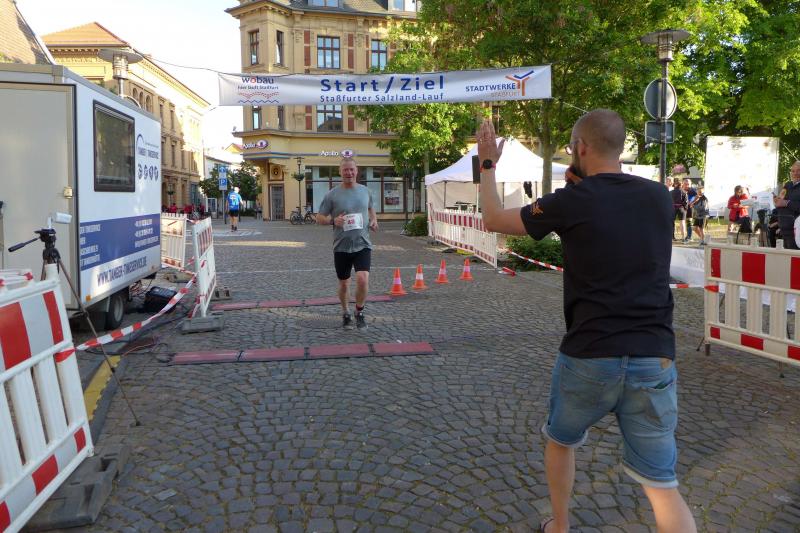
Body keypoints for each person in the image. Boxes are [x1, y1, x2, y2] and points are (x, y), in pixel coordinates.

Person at [476, 110, 696, 533]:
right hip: (653, 353)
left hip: (590, 352)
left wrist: (487, 164)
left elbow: (493, 219)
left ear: (580, 147)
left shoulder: (571, 201)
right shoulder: (658, 197)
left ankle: (560, 526)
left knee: (561, 441)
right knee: (662, 485)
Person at [316, 158, 378, 330]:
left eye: (351, 169)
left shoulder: (365, 191)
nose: (349, 173)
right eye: (345, 170)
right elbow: (319, 217)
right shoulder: (332, 194)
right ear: (340, 172)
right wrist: (332, 221)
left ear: (357, 171)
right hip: (341, 246)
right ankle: (345, 312)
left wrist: (374, 220)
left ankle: (359, 311)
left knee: (362, 279)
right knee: (344, 283)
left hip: (363, 243)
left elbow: (371, 208)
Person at [772, 161, 800, 249]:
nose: (795, 173)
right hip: (784, 227)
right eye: (793, 171)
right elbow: (780, 201)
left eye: (798, 170)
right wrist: (777, 201)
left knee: (794, 256)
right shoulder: (787, 185)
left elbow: (786, 203)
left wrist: (787, 203)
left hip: (796, 230)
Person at [682, 178, 697, 243]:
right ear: (683, 184)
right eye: (685, 184)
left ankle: (689, 237)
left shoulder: (692, 190)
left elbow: (698, 196)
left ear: (690, 184)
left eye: (688, 184)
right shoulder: (681, 189)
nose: (687, 185)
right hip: (683, 208)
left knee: (689, 222)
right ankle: (687, 236)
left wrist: (692, 202)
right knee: (684, 222)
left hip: (690, 208)